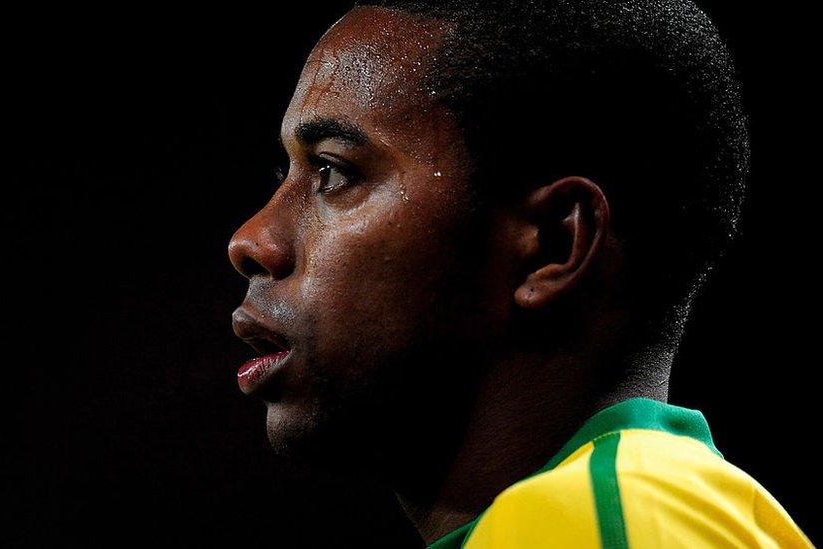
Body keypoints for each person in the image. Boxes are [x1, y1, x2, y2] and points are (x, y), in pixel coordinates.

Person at [227, 0, 814, 547]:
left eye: (333, 171)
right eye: (285, 174)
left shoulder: (594, 518)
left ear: (552, 243)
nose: (251, 241)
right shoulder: (659, 513)